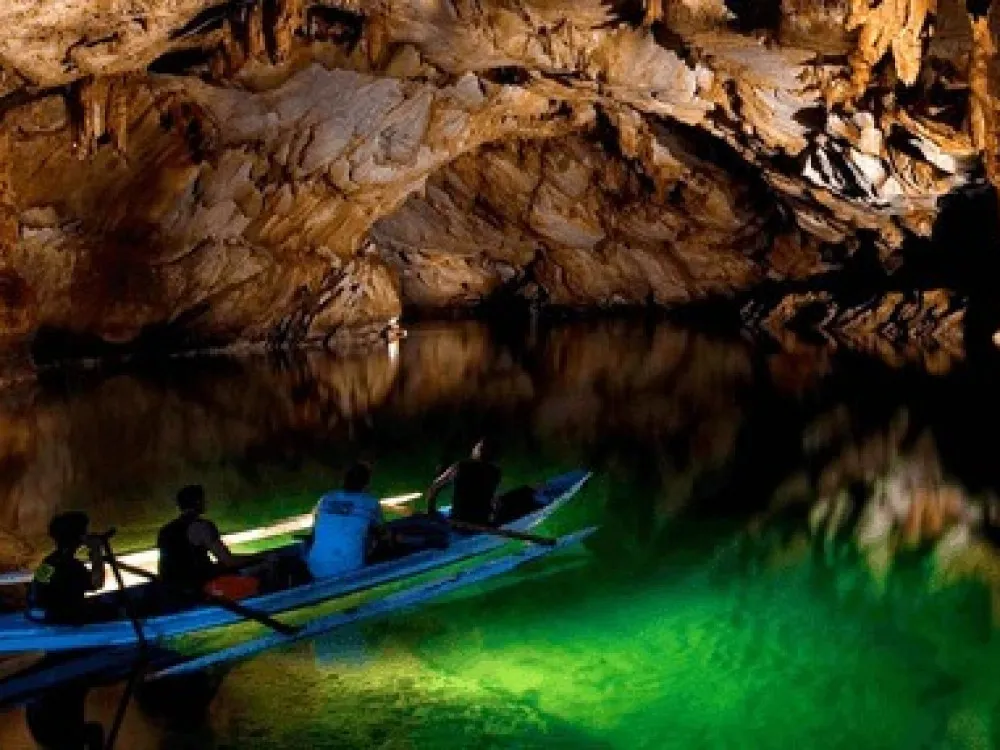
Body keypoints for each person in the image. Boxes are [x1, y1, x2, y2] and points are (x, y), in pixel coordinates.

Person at [157, 484, 274, 599]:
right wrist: (261, 557)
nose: (206, 503)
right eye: (204, 500)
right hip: (201, 590)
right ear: (198, 502)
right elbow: (229, 561)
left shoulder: (164, 531)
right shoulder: (202, 526)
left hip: (172, 591)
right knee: (263, 578)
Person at [305, 462, 384, 579]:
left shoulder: (326, 499)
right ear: (366, 484)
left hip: (315, 566)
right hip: (350, 568)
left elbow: (314, 531)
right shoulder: (370, 503)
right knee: (373, 535)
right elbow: (381, 531)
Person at [27, 511, 107, 625]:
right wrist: (96, 551)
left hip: (51, 616)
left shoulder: (49, 561)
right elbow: (97, 583)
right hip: (66, 619)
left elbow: (37, 587)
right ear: (79, 537)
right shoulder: (72, 565)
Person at [425, 438, 502, 525]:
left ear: (478, 450)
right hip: (482, 521)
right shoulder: (496, 472)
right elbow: (495, 501)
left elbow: (434, 487)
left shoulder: (460, 467)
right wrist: (494, 517)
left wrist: (431, 511)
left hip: (458, 521)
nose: (474, 448)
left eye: (477, 446)